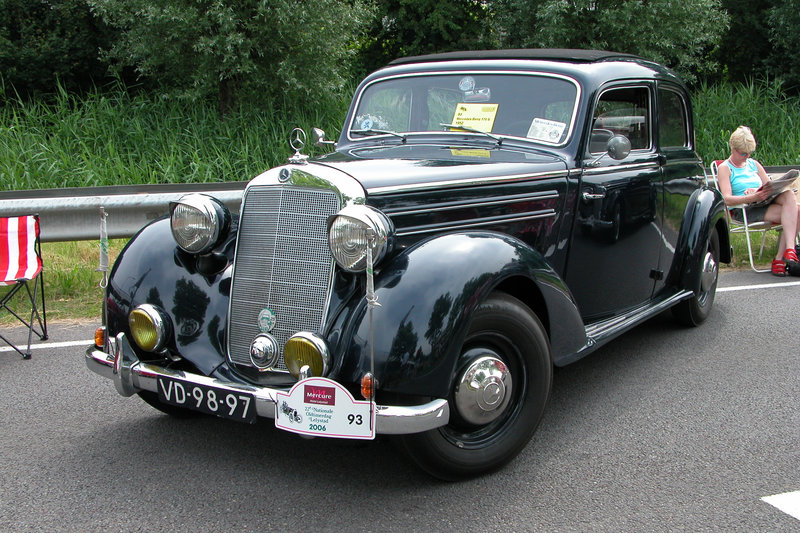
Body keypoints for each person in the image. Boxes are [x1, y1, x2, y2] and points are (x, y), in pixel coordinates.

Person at [716, 125, 800, 276]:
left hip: (763, 203)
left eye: (749, 153)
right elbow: (726, 199)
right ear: (733, 148)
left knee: (789, 196)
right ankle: (781, 258)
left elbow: (769, 187)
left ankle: (787, 252)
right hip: (744, 209)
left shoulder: (754, 164)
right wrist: (751, 197)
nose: (746, 156)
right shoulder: (725, 168)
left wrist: (759, 191)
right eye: (743, 153)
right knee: (796, 212)